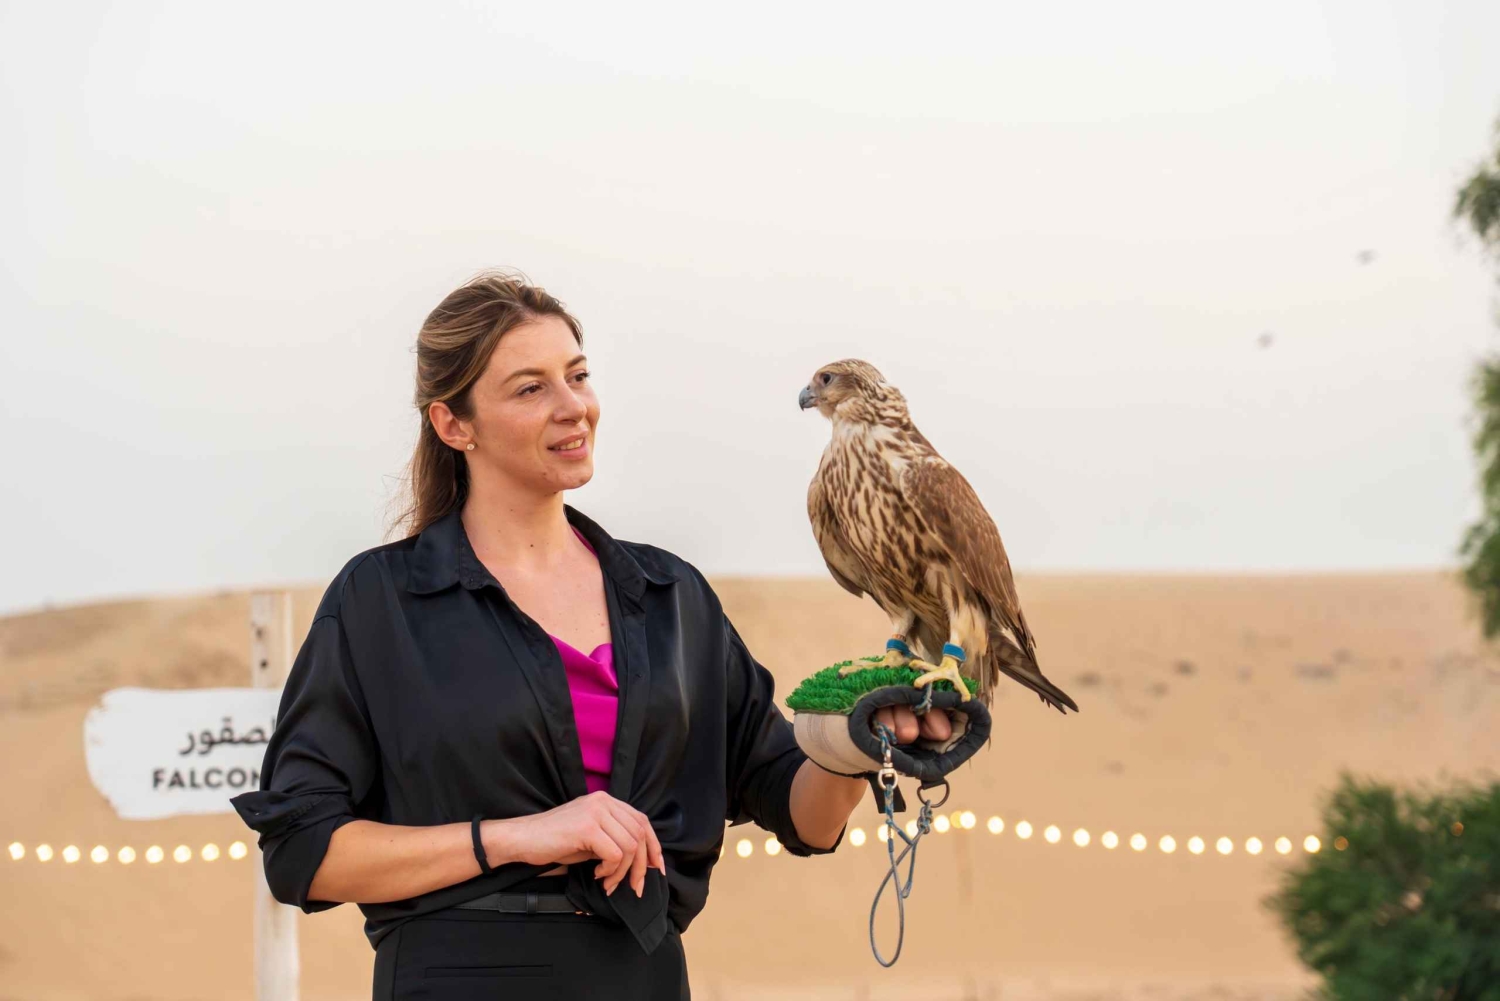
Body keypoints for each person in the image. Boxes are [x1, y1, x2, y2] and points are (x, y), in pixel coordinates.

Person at [229, 270, 955, 1000]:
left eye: (577, 376)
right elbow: (303, 849)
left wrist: (858, 739)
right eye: (530, 388)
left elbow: (800, 809)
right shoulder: (382, 602)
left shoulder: (671, 599)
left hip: (641, 975)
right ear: (454, 425)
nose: (573, 406)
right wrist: (519, 833)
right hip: (459, 977)